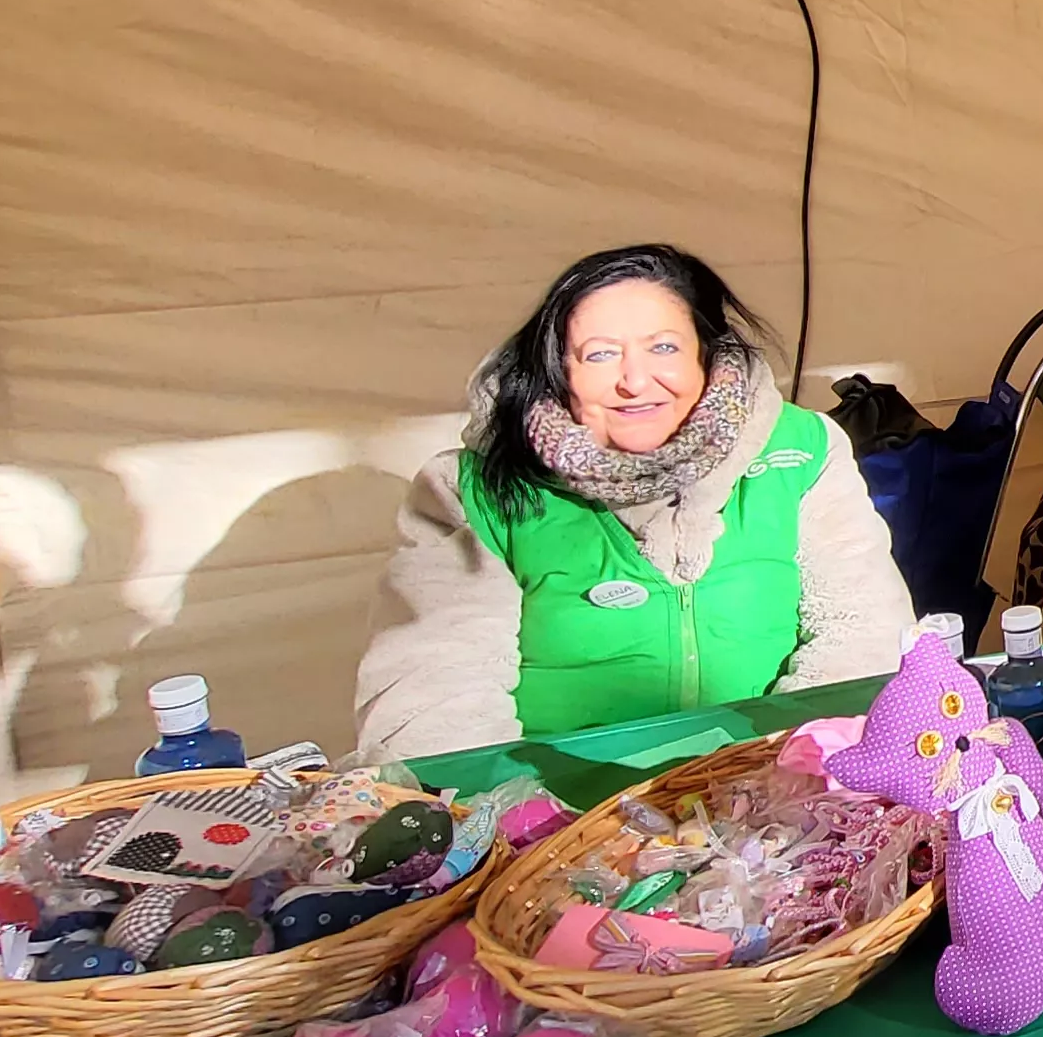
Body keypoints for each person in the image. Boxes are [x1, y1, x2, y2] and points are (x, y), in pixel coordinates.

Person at [355, 245, 919, 763]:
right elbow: (431, 707)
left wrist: (779, 776)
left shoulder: (800, 451)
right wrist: (531, 819)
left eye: (664, 348)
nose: (634, 380)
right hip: (559, 826)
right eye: (599, 355)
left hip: (777, 794)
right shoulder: (474, 491)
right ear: (557, 371)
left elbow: (863, 635)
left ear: (707, 355)